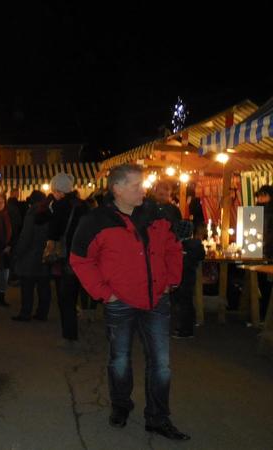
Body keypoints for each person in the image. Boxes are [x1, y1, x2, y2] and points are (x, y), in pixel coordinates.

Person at [70, 164, 188, 440]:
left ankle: (158, 418)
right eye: (136, 185)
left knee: (161, 364)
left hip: (156, 300)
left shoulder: (156, 215)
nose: (143, 190)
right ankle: (121, 406)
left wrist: (172, 279)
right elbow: (80, 259)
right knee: (120, 360)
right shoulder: (96, 220)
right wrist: (104, 293)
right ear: (117, 189)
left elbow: (172, 247)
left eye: (142, 184)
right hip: (119, 301)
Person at [43, 173, 87, 343]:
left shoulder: (60, 207)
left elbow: (53, 233)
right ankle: (74, 326)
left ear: (60, 191)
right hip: (81, 256)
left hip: (64, 256)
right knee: (74, 292)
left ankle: (70, 333)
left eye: (54, 190)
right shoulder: (83, 206)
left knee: (65, 297)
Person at [11, 190, 51, 321]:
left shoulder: (32, 213)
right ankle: (42, 313)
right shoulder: (49, 212)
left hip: (30, 256)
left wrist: (18, 252)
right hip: (44, 255)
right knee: (43, 286)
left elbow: (26, 236)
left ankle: (25, 313)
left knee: (27, 287)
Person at [172, 223, 205, 338]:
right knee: (187, 302)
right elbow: (201, 256)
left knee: (183, 303)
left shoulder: (179, 245)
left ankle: (185, 330)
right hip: (190, 276)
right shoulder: (196, 245)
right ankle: (189, 325)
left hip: (180, 277)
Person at [255, 185, 273, 321]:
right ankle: (263, 313)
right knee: (263, 284)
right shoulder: (258, 211)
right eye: (259, 195)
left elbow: (268, 234)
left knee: (266, 285)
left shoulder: (267, 212)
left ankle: (264, 314)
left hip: (267, 253)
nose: (260, 198)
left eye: (263, 195)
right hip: (262, 252)